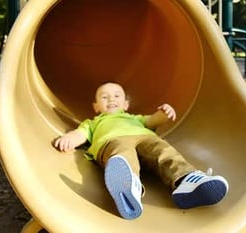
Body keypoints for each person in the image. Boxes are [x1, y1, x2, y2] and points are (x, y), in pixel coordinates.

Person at [54, 81, 228, 219]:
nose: (111, 99)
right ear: (96, 107)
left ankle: (186, 179)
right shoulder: (93, 122)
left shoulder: (135, 119)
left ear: (126, 104)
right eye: (104, 97)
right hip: (112, 141)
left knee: (162, 150)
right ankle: (130, 187)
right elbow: (81, 133)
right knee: (121, 155)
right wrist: (69, 138)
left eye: (116, 96)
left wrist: (164, 113)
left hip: (145, 138)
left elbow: (153, 120)